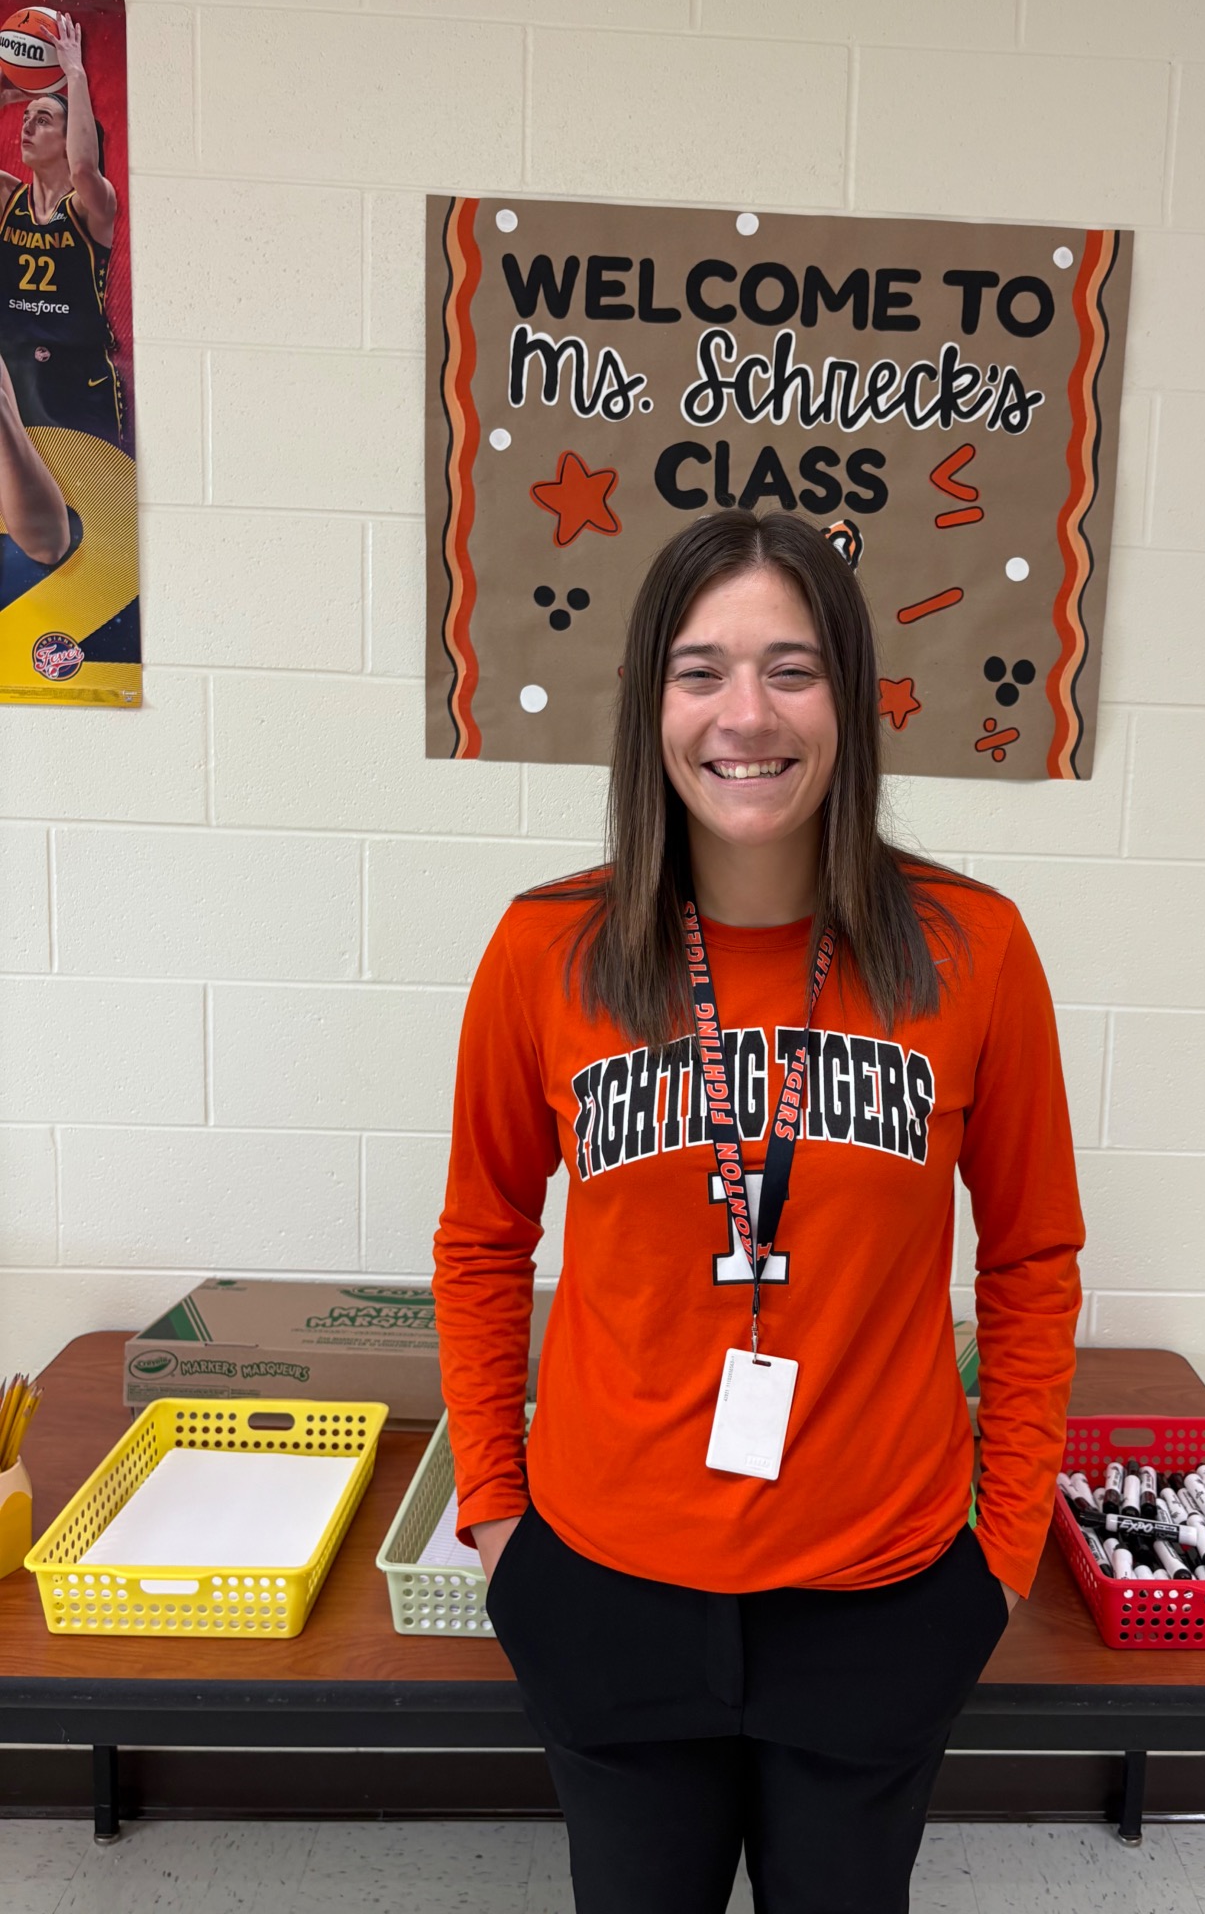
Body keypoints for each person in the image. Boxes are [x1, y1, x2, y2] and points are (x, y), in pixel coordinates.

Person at [432, 508, 1085, 1914]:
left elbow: (1035, 1256)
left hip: (885, 1590)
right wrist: (496, 1522)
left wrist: (1004, 1547)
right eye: (701, 670)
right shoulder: (544, 951)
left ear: (849, 700)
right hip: (604, 1584)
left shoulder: (973, 949)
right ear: (649, 705)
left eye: (792, 669)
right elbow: (482, 1240)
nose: (747, 715)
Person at [0, 10, 124, 446]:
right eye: (26, 117)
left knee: (94, 494)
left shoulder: (93, 203)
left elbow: (84, 167)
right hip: (14, 377)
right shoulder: (8, 197)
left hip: (81, 385)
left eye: (43, 120)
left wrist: (74, 73)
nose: (27, 126)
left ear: (70, 138)